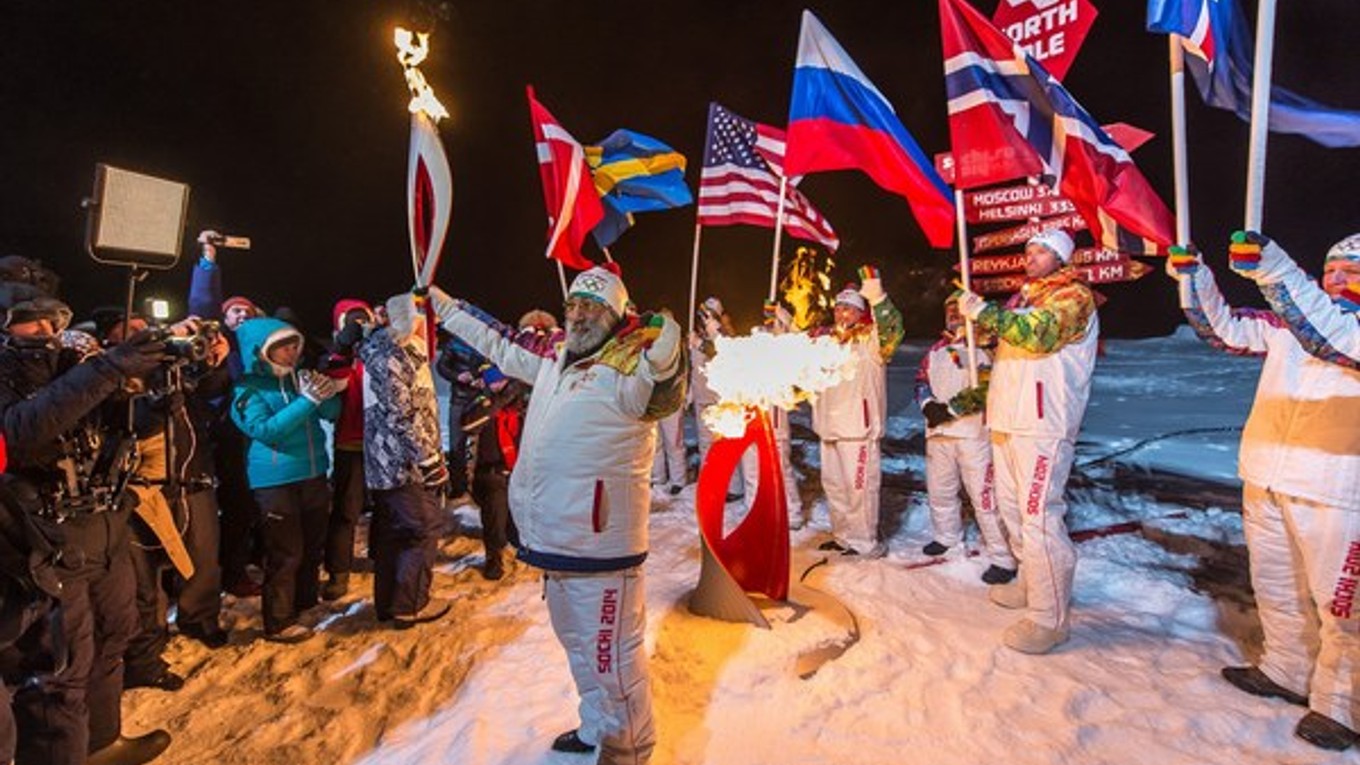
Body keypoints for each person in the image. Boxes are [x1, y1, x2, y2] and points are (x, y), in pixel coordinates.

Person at [426, 264, 685, 765]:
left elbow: (663, 387)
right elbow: (496, 339)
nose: (582, 313)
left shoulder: (632, 365)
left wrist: (669, 351)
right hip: (554, 540)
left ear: (616, 314)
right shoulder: (554, 355)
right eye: (576, 305)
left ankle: (629, 748)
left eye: (594, 306)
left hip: (601, 547)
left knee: (612, 660)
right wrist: (441, 305)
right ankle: (597, 728)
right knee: (580, 651)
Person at [1167, 231, 1360, 751]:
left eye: (1352, 270)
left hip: (1339, 488)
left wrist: (1272, 266)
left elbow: (1329, 336)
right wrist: (1195, 280)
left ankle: (1343, 707)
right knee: (1277, 585)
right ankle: (1286, 670)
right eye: (1332, 269)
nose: (1338, 278)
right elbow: (1225, 330)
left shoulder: (1338, 327)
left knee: (1345, 609)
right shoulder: (1287, 325)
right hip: (1269, 475)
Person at [0, 278, 172, 765]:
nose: (48, 328)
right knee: (62, 668)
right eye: (32, 319)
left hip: (101, 522)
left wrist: (158, 396)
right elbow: (22, 431)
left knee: (115, 632)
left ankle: (102, 741)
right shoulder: (10, 370)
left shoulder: (69, 361)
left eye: (53, 318)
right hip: (47, 535)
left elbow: (112, 424)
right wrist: (109, 367)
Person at [957, 229, 1097, 654]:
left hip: (1044, 423)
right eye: (1029, 250)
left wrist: (984, 312)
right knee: (1014, 511)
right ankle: (1030, 581)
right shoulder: (1025, 298)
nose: (1031, 257)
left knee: (1039, 518)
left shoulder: (1073, 298)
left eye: (1041, 251)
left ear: (1060, 257)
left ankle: (1049, 618)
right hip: (1009, 420)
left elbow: (1039, 335)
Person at [229, 316, 341, 643]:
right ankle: (277, 621)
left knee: (310, 545)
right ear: (261, 352)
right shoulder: (246, 388)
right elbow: (266, 430)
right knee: (285, 552)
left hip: (314, 472)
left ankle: (305, 602)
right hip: (274, 481)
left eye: (295, 345)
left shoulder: (298, 379)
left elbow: (331, 414)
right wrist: (308, 401)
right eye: (282, 348)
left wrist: (326, 392)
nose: (291, 353)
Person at [356, 294, 450, 626]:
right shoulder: (390, 354)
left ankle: (391, 604)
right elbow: (402, 413)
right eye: (427, 318)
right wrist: (428, 459)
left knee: (396, 534)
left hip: (399, 461)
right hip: (400, 464)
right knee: (422, 529)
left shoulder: (405, 352)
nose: (433, 326)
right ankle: (410, 603)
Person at [915, 294, 1015, 584]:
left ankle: (1003, 557)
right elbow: (921, 381)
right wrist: (928, 405)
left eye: (958, 309)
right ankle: (946, 536)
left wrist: (952, 409)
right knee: (940, 491)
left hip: (973, 434)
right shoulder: (936, 349)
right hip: (938, 432)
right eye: (948, 310)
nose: (953, 315)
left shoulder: (987, 346)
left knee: (984, 497)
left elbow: (989, 386)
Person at [809, 267, 905, 558]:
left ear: (861, 312)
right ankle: (842, 536)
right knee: (835, 487)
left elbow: (894, 329)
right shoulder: (824, 342)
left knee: (859, 489)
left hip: (858, 430)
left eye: (849, 308)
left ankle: (864, 543)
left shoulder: (871, 341)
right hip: (827, 427)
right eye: (839, 307)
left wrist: (878, 298)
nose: (842, 313)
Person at [465, 310, 554, 580]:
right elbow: (469, 422)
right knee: (495, 512)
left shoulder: (535, 381)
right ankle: (495, 556)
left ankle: (523, 544)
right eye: (532, 330)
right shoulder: (490, 396)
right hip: (492, 468)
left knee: (523, 513)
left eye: (541, 330)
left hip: (522, 464)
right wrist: (499, 396)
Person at [318, 299, 374, 601]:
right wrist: (343, 348)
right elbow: (333, 383)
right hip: (350, 442)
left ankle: (380, 554)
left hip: (382, 445)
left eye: (362, 320)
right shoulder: (337, 356)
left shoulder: (377, 351)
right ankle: (338, 571)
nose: (358, 326)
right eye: (350, 321)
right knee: (346, 511)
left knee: (388, 508)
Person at [739, 301, 805, 529]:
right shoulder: (748, 358)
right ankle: (754, 512)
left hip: (775, 424)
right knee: (752, 471)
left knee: (779, 469)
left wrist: (783, 318)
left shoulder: (782, 356)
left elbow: (798, 343)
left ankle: (792, 513)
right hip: (750, 421)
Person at [690, 296, 743, 502]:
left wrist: (701, 344)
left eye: (710, 314)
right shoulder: (696, 336)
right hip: (701, 397)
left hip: (720, 399)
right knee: (705, 444)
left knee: (724, 445)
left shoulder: (724, 336)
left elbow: (721, 353)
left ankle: (735, 487)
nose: (705, 318)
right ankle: (710, 482)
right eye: (703, 314)